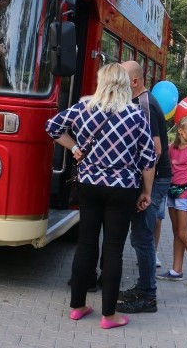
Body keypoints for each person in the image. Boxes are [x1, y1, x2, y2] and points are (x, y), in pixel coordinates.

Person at [45, 63, 156, 330]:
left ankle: (77, 305)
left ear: (101, 82)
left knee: (86, 244)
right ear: (123, 83)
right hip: (123, 188)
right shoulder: (136, 114)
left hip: (89, 184)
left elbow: (52, 126)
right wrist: (147, 192)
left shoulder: (84, 108)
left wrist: (75, 148)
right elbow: (149, 158)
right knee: (114, 249)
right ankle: (109, 315)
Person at [116, 61, 171, 314]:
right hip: (148, 178)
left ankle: (148, 296)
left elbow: (155, 150)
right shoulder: (139, 102)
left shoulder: (145, 105)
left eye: (122, 78)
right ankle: (142, 287)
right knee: (139, 237)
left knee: (142, 237)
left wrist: (142, 186)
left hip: (154, 179)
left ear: (135, 82)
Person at [157, 115, 187, 285]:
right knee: (176, 232)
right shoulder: (172, 148)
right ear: (180, 130)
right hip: (172, 193)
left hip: (185, 194)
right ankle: (176, 270)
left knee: (183, 234)